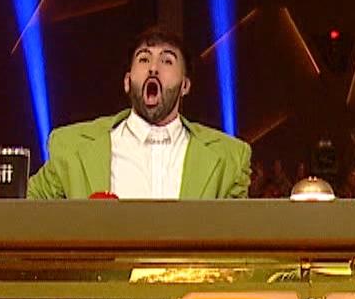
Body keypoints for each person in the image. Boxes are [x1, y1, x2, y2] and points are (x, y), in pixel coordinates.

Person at [26, 26, 249, 199]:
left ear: (185, 85)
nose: (153, 68)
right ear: (127, 81)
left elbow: (241, 234)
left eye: (167, 60)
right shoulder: (72, 149)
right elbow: (23, 213)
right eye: (144, 59)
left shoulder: (229, 158)